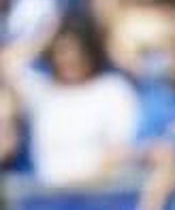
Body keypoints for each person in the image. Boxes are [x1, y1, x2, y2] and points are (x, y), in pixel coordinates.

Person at [0, 17, 138, 186]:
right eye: (63, 51)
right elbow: (6, 63)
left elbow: (121, 150)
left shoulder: (112, 90)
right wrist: (48, 35)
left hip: (97, 195)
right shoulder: (43, 93)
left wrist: (84, 180)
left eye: (78, 51)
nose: (70, 59)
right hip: (45, 199)